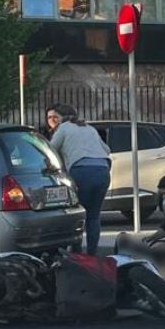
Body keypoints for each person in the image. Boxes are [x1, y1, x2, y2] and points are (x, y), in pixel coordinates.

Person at [47, 103, 113, 254]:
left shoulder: (63, 128)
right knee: (94, 216)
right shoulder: (89, 128)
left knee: (77, 214)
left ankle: (76, 253)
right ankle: (92, 254)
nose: (52, 121)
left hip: (81, 171)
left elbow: (50, 150)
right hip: (103, 171)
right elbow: (107, 150)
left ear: (62, 118)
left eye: (55, 117)